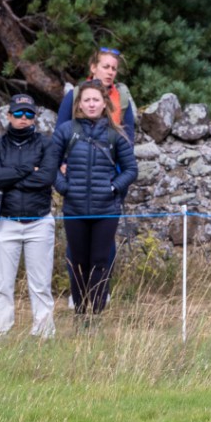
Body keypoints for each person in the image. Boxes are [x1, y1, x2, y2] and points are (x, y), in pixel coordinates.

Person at [57, 47, 136, 309]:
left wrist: (115, 185)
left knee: (104, 249)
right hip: (77, 181)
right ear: (93, 68)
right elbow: (59, 139)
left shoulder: (122, 98)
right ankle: (77, 299)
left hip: (108, 183)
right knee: (77, 251)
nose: (110, 71)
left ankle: (102, 296)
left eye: (114, 68)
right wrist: (65, 180)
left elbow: (129, 141)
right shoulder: (74, 96)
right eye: (106, 66)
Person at [0, 95, 60, 339]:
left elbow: (46, 178)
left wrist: (12, 177)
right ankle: (0, 335)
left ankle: (44, 334)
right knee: (2, 284)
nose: (23, 119)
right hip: (5, 221)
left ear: (34, 118)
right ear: (9, 116)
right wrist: (28, 169)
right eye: (18, 114)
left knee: (40, 285)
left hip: (39, 221)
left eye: (29, 114)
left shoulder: (45, 144)